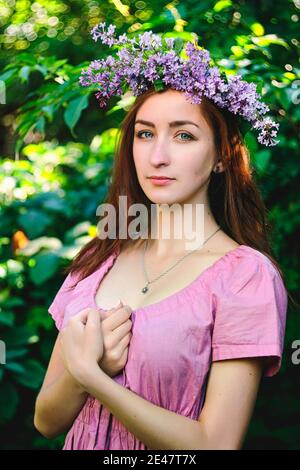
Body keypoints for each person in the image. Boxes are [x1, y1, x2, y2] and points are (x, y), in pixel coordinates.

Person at [34, 23, 290, 450]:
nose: (157, 155)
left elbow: (216, 443)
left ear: (222, 157)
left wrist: (92, 376)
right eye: (145, 133)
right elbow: (45, 420)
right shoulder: (100, 256)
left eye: (184, 135)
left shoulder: (244, 276)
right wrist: (81, 376)